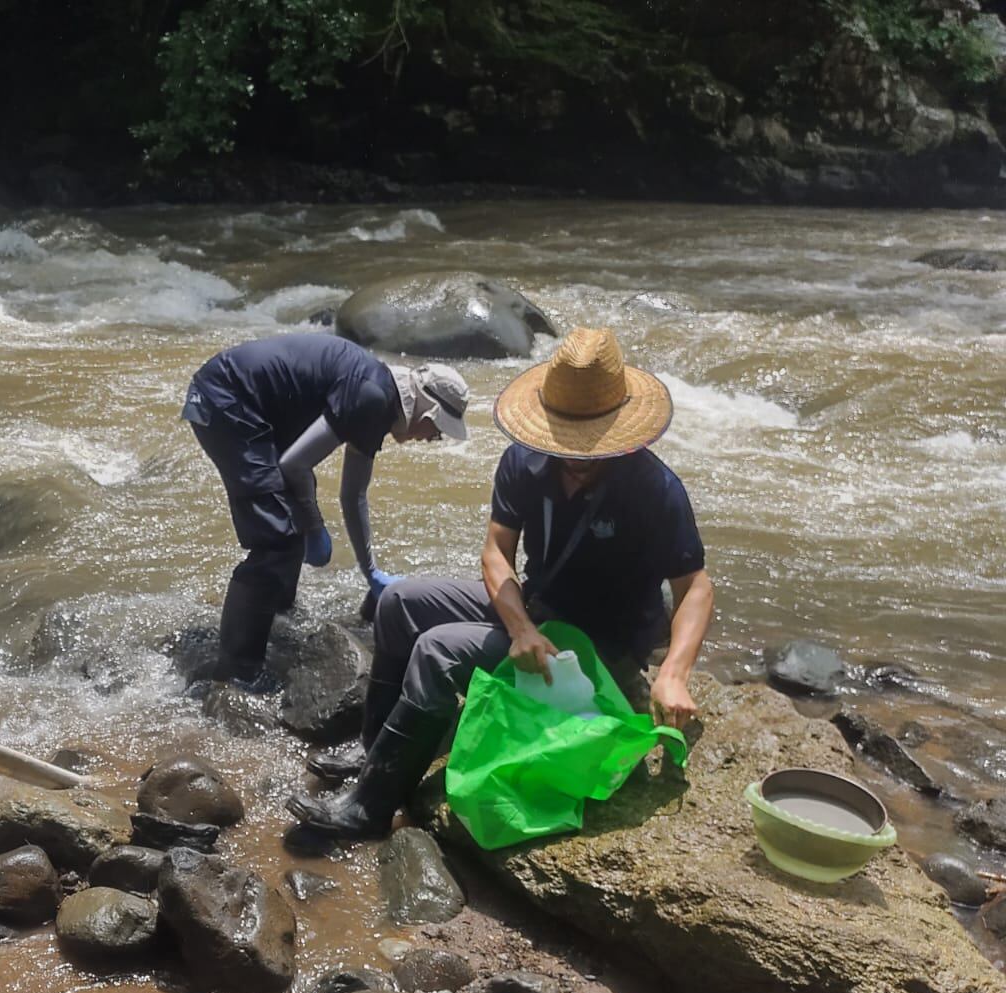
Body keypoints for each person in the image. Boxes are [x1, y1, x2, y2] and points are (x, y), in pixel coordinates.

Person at [288, 327, 716, 837]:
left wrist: (674, 673)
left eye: (588, 444)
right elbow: (496, 551)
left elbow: (695, 587)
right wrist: (520, 627)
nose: (574, 457)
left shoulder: (654, 488)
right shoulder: (525, 461)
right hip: (537, 606)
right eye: (565, 439)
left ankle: (370, 808)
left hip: (599, 644)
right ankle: (376, 750)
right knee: (397, 602)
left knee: (437, 651)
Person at [183, 332, 470, 691]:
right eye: (438, 431)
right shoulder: (372, 397)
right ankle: (237, 673)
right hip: (226, 398)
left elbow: (354, 495)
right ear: (427, 410)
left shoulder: (378, 396)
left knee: (289, 515)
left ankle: (277, 617)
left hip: (243, 400)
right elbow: (293, 465)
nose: (432, 439)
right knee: (278, 540)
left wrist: (371, 571)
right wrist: (314, 526)